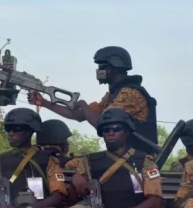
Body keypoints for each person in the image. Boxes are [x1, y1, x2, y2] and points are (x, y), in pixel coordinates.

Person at [27, 46, 158, 146]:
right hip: (124, 154)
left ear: (114, 68)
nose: (98, 71)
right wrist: (44, 103)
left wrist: (83, 104)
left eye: (102, 67)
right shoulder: (113, 95)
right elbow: (78, 115)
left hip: (139, 157)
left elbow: (100, 123)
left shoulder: (130, 93)